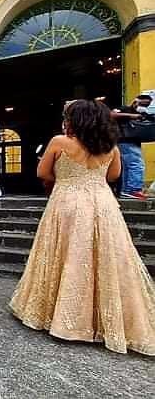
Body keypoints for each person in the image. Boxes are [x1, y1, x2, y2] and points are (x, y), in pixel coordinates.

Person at [10, 99, 155, 356]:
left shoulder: (59, 142)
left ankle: (64, 317)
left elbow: (43, 173)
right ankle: (103, 320)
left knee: (67, 255)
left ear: (75, 121)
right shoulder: (111, 147)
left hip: (66, 201)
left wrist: (67, 178)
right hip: (103, 204)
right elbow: (113, 176)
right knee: (106, 258)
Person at [111, 94, 153, 200]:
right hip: (125, 140)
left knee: (128, 167)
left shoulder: (143, 113)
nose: (144, 106)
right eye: (143, 104)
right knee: (136, 165)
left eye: (147, 105)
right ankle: (133, 190)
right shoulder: (125, 109)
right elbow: (111, 115)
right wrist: (132, 116)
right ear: (135, 102)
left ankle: (126, 190)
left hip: (133, 142)